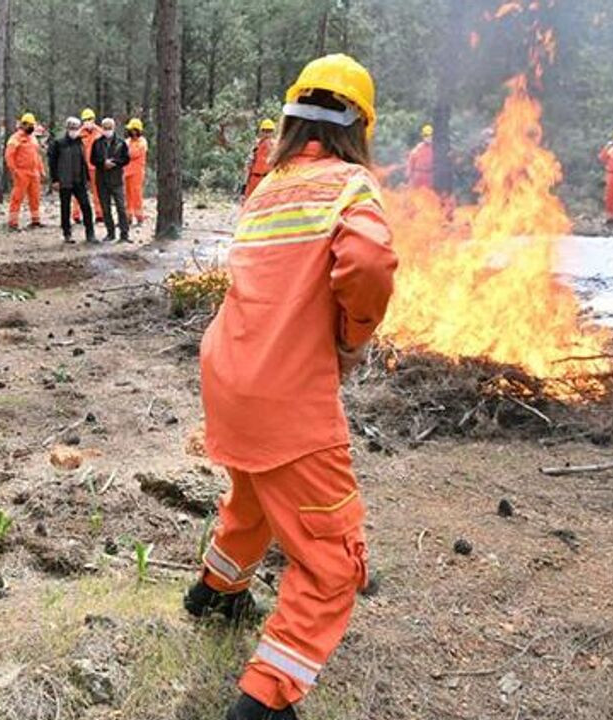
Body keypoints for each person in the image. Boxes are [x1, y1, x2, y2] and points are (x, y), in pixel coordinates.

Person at [186, 53, 397, 720]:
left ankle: (215, 592)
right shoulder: (350, 186)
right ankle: (265, 700)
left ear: (291, 119)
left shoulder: (269, 185)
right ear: (358, 126)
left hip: (229, 375)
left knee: (253, 495)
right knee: (333, 560)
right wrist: (353, 332)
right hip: (286, 395)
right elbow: (366, 261)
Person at [48, 117, 96, 244]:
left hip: (78, 181)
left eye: (76, 128)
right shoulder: (58, 143)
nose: (74, 130)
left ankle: (90, 233)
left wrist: (87, 179)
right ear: (67, 128)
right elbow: (52, 163)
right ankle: (67, 233)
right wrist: (55, 180)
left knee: (86, 206)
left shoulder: (80, 143)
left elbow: (83, 162)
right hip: (64, 181)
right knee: (65, 208)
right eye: (72, 128)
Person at [90, 117, 130, 243]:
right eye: (105, 128)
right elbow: (92, 159)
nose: (107, 130)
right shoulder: (97, 143)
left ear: (114, 128)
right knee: (105, 209)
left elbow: (126, 159)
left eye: (109, 128)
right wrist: (103, 163)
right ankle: (110, 233)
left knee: (121, 208)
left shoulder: (121, 143)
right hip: (101, 180)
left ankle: (124, 234)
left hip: (116, 179)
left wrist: (115, 163)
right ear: (102, 128)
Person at [5, 112, 43, 230]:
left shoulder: (33, 138)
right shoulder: (15, 138)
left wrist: (41, 169)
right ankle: (13, 222)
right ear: (23, 125)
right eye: (29, 125)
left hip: (34, 172)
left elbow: (37, 155)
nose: (31, 127)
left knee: (35, 197)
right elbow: (9, 155)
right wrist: (14, 170)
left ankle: (35, 220)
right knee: (17, 197)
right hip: (21, 172)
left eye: (33, 124)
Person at [72, 108, 103, 223]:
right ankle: (76, 215)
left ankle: (99, 214)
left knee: (98, 191)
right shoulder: (78, 135)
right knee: (79, 192)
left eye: (90, 119)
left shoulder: (100, 133)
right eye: (85, 120)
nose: (88, 122)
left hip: (95, 167)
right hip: (81, 168)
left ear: (94, 120)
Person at [243, 118, 277, 199]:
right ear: (261, 132)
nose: (267, 133)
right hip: (254, 180)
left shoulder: (276, 146)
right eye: (265, 131)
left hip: (268, 180)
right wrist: (244, 186)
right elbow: (248, 166)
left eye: (269, 131)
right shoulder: (256, 146)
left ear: (273, 132)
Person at [124, 118, 148, 226]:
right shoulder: (127, 141)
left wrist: (125, 152)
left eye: (134, 130)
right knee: (127, 195)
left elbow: (133, 153)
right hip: (126, 172)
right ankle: (128, 217)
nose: (132, 132)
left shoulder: (142, 142)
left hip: (137, 172)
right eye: (131, 130)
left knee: (136, 194)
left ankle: (139, 217)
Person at [406, 123, 434, 190]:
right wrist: (409, 178)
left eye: (430, 135)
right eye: (426, 135)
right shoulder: (417, 149)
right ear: (423, 136)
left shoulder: (436, 149)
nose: (428, 137)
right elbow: (410, 164)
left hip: (430, 177)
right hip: (418, 177)